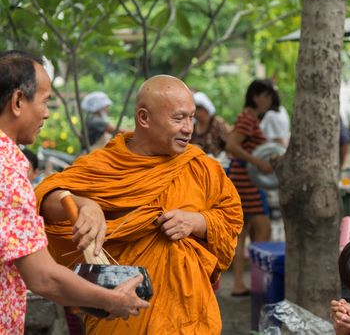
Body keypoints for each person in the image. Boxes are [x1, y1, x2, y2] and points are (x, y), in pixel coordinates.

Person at [35, 75, 243, 334]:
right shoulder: (106, 165)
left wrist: (198, 222)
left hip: (190, 317)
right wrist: (82, 203)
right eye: (178, 118)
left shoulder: (202, 167)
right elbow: (43, 201)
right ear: (144, 118)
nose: (189, 128)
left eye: (191, 117)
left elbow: (230, 217)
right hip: (123, 319)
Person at [0, 50, 149, 334]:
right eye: (45, 102)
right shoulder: (6, 168)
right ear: (18, 101)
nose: (46, 113)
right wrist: (112, 299)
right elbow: (43, 277)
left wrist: (86, 203)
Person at [226, 78, 278, 296]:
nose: (267, 101)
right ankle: (256, 283)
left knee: (243, 233)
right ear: (256, 97)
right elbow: (231, 146)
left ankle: (241, 283)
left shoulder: (249, 118)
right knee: (262, 229)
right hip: (246, 182)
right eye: (265, 96)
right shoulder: (248, 118)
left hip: (244, 181)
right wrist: (257, 162)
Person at [190, 90, 230, 156]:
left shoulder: (218, 123)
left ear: (205, 108)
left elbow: (229, 144)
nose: (195, 112)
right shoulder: (193, 126)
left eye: (198, 108)